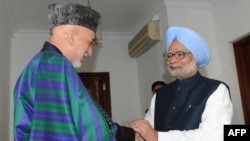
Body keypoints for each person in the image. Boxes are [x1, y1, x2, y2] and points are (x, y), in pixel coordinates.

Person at [13, 2, 134, 141]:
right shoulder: (52, 65)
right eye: (90, 42)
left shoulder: (45, 64)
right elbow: (57, 133)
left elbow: (85, 118)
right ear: (71, 37)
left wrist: (127, 134)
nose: (90, 52)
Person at [128, 26, 233, 141]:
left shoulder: (216, 89)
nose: (171, 60)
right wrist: (137, 134)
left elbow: (214, 136)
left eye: (179, 54)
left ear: (195, 58)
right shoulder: (160, 95)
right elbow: (149, 130)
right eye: (169, 55)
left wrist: (158, 137)